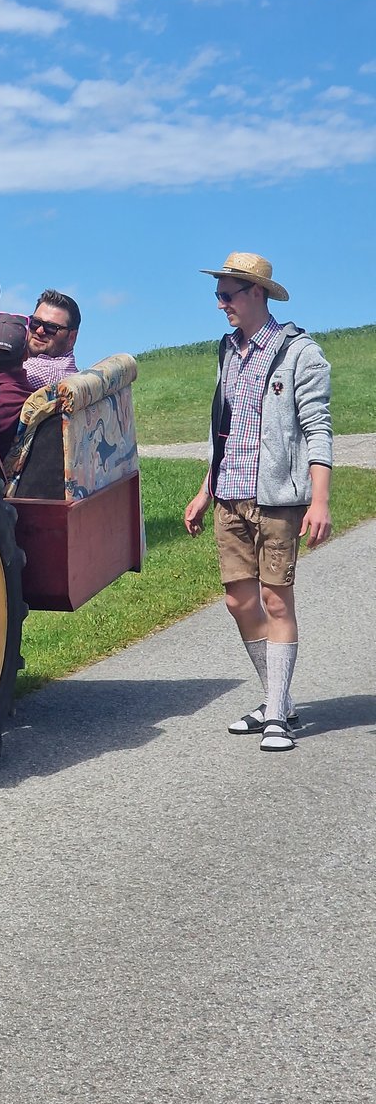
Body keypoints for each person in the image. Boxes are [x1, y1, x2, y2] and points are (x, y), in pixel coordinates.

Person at [182, 252, 332, 753]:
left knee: (276, 599)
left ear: (257, 294)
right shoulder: (226, 349)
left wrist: (319, 501)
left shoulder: (300, 353)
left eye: (228, 295)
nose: (220, 304)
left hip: (276, 500)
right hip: (229, 494)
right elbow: (222, 429)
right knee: (238, 601)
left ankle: (277, 715)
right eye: (218, 295)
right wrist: (205, 489)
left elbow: (318, 430)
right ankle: (278, 701)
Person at [0, 291, 81, 458]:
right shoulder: (73, 373)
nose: (39, 331)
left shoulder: (41, 374)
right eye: (35, 322)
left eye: (51, 328)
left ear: (72, 337)